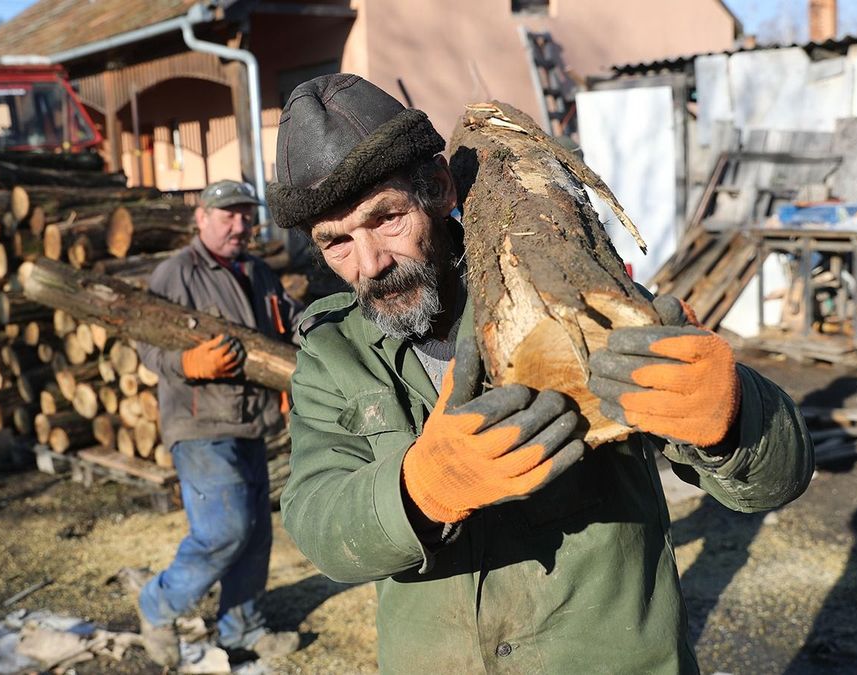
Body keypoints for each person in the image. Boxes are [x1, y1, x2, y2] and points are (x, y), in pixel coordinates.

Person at [270, 74, 814, 673]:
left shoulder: (573, 290)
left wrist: (732, 419)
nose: (369, 262)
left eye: (387, 219)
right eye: (336, 243)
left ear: (437, 191)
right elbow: (317, 522)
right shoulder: (332, 353)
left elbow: (776, 481)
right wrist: (422, 488)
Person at [134, 179, 302, 666]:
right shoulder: (176, 273)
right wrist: (186, 365)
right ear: (201, 218)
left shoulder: (257, 271)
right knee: (225, 530)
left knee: (254, 533)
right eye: (227, 214)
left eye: (246, 214)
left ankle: (243, 629)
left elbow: (288, 323)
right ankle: (158, 604)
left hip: (252, 421)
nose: (239, 224)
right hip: (201, 424)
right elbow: (146, 340)